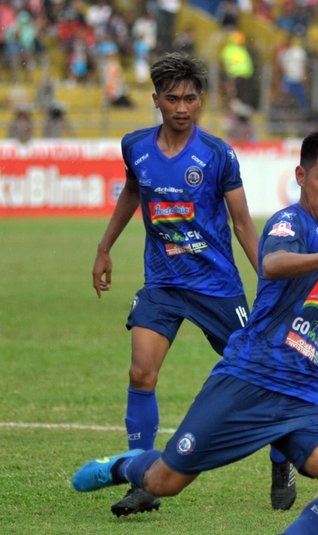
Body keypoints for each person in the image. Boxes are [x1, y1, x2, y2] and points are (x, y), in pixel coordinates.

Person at [74, 126, 318, 535]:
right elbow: (272, 264)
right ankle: (123, 465)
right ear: (301, 176)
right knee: (162, 482)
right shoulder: (289, 223)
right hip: (247, 383)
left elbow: (305, 329)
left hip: (302, 401)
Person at [89, 52, 282, 517]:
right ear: (156, 99)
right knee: (141, 373)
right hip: (163, 283)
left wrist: (271, 280)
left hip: (217, 286)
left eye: (190, 98)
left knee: (262, 373)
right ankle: (142, 478)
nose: (181, 107)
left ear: (201, 101)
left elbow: (242, 225)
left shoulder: (217, 154)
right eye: (172, 98)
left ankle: (281, 456)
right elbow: (134, 191)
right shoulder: (134, 145)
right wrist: (104, 246)